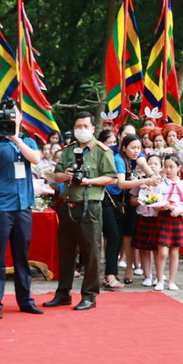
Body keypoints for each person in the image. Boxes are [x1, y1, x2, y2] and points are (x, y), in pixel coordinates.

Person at [43, 112, 119, 311]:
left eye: (86, 126)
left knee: (91, 252)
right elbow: (56, 175)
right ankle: (63, 293)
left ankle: (89, 295)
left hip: (90, 206)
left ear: (93, 129)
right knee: (66, 251)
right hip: (67, 206)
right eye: (78, 126)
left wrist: (90, 181)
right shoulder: (68, 150)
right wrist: (65, 175)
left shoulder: (102, 151)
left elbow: (112, 178)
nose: (82, 130)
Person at [0, 100, 44, 319]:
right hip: (0, 207)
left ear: (20, 116)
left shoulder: (28, 140)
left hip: (23, 205)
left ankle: (25, 300)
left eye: (14, 114)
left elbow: (35, 159)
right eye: (7, 115)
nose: (11, 117)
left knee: (22, 256)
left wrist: (15, 137)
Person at [116, 134, 160, 284]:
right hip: (118, 198)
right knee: (124, 235)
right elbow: (121, 184)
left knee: (137, 234)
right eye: (133, 148)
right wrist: (146, 180)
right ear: (123, 147)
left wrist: (153, 176)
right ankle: (128, 267)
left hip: (135, 198)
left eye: (138, 148)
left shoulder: (138, 157)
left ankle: (149, 271)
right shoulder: (119, 159)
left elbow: (144, 166)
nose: (136, 151)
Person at [152, 154, 183, 291]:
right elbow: (154, 202)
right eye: (166, 167)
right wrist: (160, 206)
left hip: (177, 218)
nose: (168, 170)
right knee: (162, 252)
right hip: (164, 217)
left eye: (171, 167)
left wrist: (180, 210)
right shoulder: (160, 185)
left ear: (179, 168)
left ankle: (172, 281)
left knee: (174, 252)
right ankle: (159, 279)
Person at [98, 130, 125, 290]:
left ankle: (111, 274)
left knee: (116, 238)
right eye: (110, 142)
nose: (113, 146)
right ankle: (109, 275)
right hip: (103, 198)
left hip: (117, 200)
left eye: (115, 142)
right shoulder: (106, 157)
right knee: (113, 237)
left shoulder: (122, 157)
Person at [131, 153, 162, 287]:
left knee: (157, 249)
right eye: (150, 164)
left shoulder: (164, 182)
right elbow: (132, 199)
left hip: (157, 218)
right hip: (143, 217)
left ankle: (158, 275)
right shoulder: (140, 180)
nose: (153, 166)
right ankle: (147, 275)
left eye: (156, 164)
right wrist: (141, 200)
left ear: (161, 168)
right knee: (144, 249)